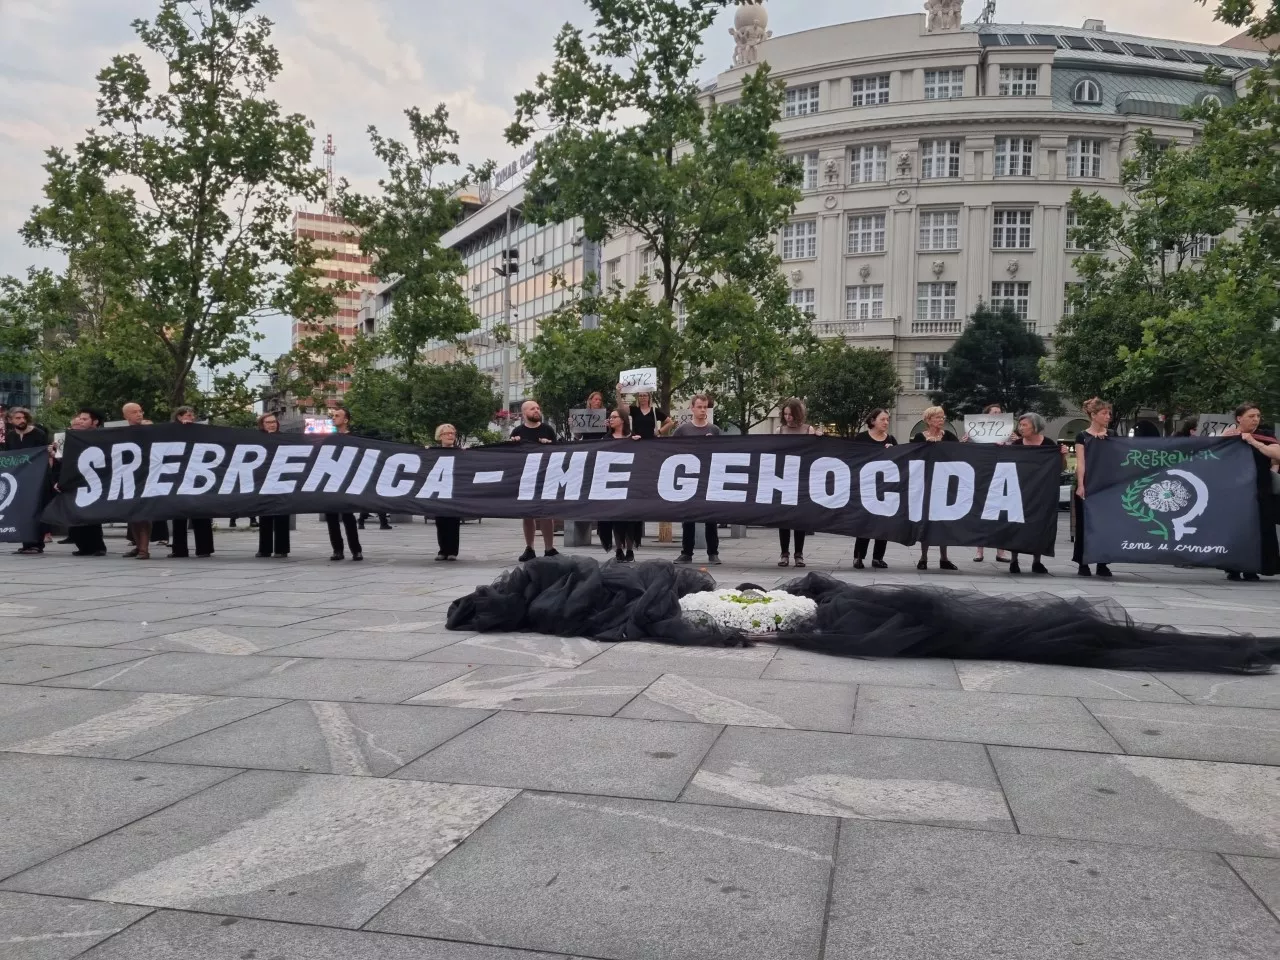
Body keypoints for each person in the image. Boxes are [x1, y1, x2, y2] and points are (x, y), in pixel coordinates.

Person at [1005, 412, 1068, 575]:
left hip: (1041, 491)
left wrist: (1062, 455)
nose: (1021, 428)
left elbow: (1060, 468)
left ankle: (1037, 561)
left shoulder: (1048, 444)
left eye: (1024, 425)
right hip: (1019, 490)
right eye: (1020, 425)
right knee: (1016, 524)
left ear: (1035, 427)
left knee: (1039, 524)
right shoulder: (1017, 444)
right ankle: (1014, 560)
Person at [1222, 402, 1279, 582]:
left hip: (1260, 489)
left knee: (1259, 527)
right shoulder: (1229, 436)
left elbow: (1277, 454)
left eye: (1258, 416)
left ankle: (1253, 568)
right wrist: (1223, 438)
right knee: (1236, 528)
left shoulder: (1265, 436)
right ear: (1239, 418)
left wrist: (1253, 441)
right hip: (1235, 490)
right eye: (1251, 416)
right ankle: (1233, 567)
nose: (1255, 419)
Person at [674, 394, 722, 565]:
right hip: (689, 477)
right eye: (700, 407)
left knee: (711, 517)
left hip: (708, 477)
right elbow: (672, 450)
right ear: (692, 408)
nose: (703, 410)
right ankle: (686, 552)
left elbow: (722, 453)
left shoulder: (714, 430)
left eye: (705, 407)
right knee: (688, 517)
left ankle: (713, 552)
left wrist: (712, 445)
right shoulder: (683, 430)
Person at [509, 399, 559, 562]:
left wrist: (549, 444)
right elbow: (510, 455)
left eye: (538, 408)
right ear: (524, 413)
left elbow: (559, 452)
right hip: (526, 478)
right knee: (527, 514)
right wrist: (514, 444)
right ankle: (529, 548)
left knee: (546, 513)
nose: (537, 410)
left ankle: (549, 548)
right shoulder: (517, 431)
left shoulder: (547, 430)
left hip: (545, 476)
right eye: (532, 409)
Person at [1072, 397, 1115, 578]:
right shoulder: (1082, 436)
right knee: (1084, 525)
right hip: (1089, 484)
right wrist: (1081, 484)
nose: (1108, 416)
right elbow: (1081, 462)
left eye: (1109, 413)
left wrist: (1107, 443)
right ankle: (1083, 562)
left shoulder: (1111, 435)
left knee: (1105, 525)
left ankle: (1102, 563)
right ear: (1093, 415)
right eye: (1104, 413)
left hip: (1106, 485)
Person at [911, 406, 958, 571]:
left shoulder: (949, 436)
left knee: (943, 521)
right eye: (938, 417)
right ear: (929, 420)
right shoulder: (919, 437)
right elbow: (912, 456)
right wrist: (926, 447)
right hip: (925, 484)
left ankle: (944, 558)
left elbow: (959, 454)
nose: (941, 420)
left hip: (944, 484)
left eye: (942, 417)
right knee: (926, 521)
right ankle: (923, 557)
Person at [776, 398, 820, 568]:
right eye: (785, 414)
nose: (788, 417)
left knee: (799, 519)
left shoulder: (808, 430)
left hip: (802, 480)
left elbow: (815, 452)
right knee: (784, 519)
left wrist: (819, 438)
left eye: (791, 414)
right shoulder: (780, 431)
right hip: (784, 480)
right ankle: (784, 553)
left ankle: (798, 554)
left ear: (797, 414)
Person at [166, 406, 214, 559]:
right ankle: (179, 549)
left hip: (197, 475)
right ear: (179, 417)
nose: (191, 418)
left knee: (201, 511)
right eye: (188, 415)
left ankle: (204, 548)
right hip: (178, 476)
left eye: (192, 415)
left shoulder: (199, 431)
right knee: (179, 513)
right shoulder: (170, 432)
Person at [852, 408, 896, 569]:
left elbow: (898, 463)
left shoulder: (891, 439)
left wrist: (893, 452)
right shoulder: (862, 438)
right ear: (873, 421)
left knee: (882, 522)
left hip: (885, 487)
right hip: (866, 486)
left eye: (887, 419)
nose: (886, 422)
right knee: (865, 522)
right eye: (882, 419)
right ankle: (859, 556)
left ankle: (878, 557)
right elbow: (854, 458)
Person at [4, 407, 51, 555]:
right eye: (17, 418)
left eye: (23, 417)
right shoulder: (11, 436)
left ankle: (37, 543)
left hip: (37, 477)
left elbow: (44, 453)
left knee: (36, 509)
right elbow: (9, 456)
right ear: (10, 420)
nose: (22, 420)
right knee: (23, 510)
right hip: (19, 478)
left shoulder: (38, 433)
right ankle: (26, 543)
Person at [968, 403, 1011, 564]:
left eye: (999, 412)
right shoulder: (977, 433)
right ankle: (979, 550)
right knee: (982, 512)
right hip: (983, 476)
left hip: (1001, 475)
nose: (997, 414)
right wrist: (965, 442)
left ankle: (1001, 551)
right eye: (994, 412)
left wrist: (1012, 441)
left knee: (1001, 514)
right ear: (986, 415)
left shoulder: (1007, 433)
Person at [598, 408, 642, 563]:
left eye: (614, 417)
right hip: (612, 485)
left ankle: (630, 550)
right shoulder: (606, 439)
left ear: (622, 420)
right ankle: (618, 549)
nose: (611, 419)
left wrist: (639, 443)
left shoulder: (633, 437)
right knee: (615, 519)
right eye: (610, 417)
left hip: (630, 484)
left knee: (631, 519)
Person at [62, 408, 108, 556]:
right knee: (76, 512)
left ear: (95, 422)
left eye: (84, 419)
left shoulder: (103, 436)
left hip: (94, 480)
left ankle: (98, 546)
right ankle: (83, 546)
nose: (80, 421)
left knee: (92, 515)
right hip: (75, 479)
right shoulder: (74, 436)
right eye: (80, 418)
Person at [325, 406, 363, 562]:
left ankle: (356, 550)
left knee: (348, 516)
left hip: (347, 482)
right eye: (333, 416)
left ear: (346, 420)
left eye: (337, 415)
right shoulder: (328, 439)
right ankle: (337, 550)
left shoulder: (355, 438)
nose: (334, 418)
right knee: (331, 517)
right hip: (330, 482)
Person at [119, 403, 153, 558]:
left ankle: (144, 549)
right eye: (134, 412)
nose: (139, 414)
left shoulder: (149, 430)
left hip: (146, 476)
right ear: (126, 416)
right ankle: (138, 546)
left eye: (140, 411)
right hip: (128, 477)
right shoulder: (122, 433)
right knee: (132, 513)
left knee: (144, 513)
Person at [256, 412, 291, 559]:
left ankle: (281, 549)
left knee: (282, 515)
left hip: (282, 481)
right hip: (264, 482)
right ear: (262, 425)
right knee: (265, 515)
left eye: (274, 422)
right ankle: (264, 549)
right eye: (268, 422)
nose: (272, 425)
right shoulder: (256, 439)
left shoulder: (285, 439)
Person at [433, 423, 462, 561]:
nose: (451, 436)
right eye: (447, 433)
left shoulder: (460, 452)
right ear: (440, 436)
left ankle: (452, 552)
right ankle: (443, 550)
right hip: (439, 492)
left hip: (454, 492)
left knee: (453, 522)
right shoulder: (433, 452)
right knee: (440, 521)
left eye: (453, 433)